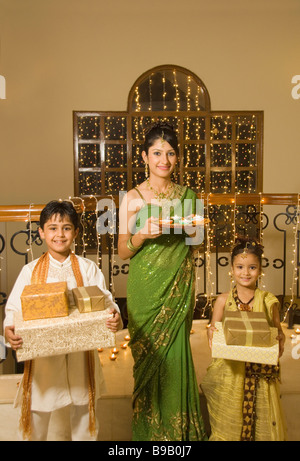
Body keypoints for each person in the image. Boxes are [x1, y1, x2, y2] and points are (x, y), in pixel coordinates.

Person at [4, 200, 122, 441]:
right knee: (37, 414)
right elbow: (14, 309)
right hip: (43, 359)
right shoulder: (31, 271)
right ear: (41, 232)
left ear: (76, 232)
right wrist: (9, 330)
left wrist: (114, 317)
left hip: (82, 358)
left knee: (83, 413)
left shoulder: (88, 268)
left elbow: (106, 301)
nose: (60, 234)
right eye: (53, 228)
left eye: (66, 228)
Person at [118, 122, 207, 441]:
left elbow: (196, 239)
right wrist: (141, 234)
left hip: (177, 290)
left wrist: (190, 228)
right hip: (145, 292)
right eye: (156, 153)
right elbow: (122, 251)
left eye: (170, 153)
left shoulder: (189, 195)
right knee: (148, 363)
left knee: (176, 357)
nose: (163, 160)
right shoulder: (132, 197)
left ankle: (180, 435)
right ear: (144, 156)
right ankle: (147, 436)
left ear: (177, 158)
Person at [201, 236, 287, 441]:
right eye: (240, 267)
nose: (245, 273)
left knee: (262, 422)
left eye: (252, 267)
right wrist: (211, 332)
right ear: (231, 268)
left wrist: (280, 340)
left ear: (260, 270)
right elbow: (213, 329)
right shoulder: (223, 300)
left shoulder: (268, 301)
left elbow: (277, 332)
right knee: (229, 419)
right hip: (232, 373)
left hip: (260, 374)